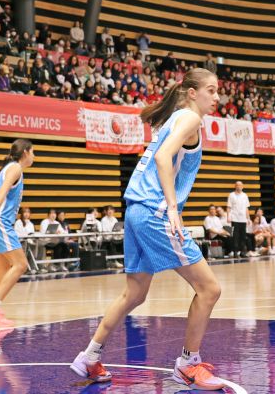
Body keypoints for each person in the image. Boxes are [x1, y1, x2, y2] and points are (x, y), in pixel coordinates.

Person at [70, 68, 228, 389]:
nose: (217, 97)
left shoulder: (175, 119)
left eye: (217, 91)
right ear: (192, 93)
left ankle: (89, 356)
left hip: (136, 210)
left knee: (135, 293)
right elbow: (163, 158)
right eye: (211, 90)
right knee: (209, 289)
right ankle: (188, 364)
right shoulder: (189, 118)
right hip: (154, 211)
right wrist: (172, 207)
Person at [0, 139, 37, 327]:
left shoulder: (8, 168)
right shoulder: (15, 168)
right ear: (25, 152)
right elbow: (1, 191)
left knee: (3, 266)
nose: (34, 156)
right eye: (33, 152)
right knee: (21, 264)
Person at [226, 181, 251, 257]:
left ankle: (242, 252)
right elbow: (229, 207)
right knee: (235, 236)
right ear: (235, 186)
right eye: (237, 185)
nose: (239, 186)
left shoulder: (245, 195)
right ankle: (235, 252)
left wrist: (248, 218)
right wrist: (228, 216)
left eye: (240, 185)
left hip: (243, 219)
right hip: (235, 218)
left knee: (243, 236)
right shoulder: (231, 195)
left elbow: (246, 208)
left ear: (242, 186)